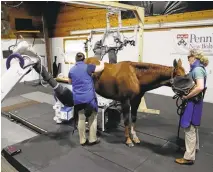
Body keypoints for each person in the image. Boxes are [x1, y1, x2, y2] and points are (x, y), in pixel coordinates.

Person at [175, 49, 209, 165]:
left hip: (193, 102)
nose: (187, 60)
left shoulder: (198, 69)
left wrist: (186, 96)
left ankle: (189, 157)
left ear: (193, 57)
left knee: (189, 127)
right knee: (194, 126)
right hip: (196, 101)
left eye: (188, 57)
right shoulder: (198, 68)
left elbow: (200, 87)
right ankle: (194, 148)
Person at [68, 52, 105, 146]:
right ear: (84, 60)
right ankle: (92, 139)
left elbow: (70, 82)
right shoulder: (88, 67)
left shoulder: (71, 70)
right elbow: (101, 68)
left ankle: (82, 140)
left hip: (78, 99)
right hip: (89, 99)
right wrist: (102, 62)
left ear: (75, 60)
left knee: (81, 118)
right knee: (92, 118)